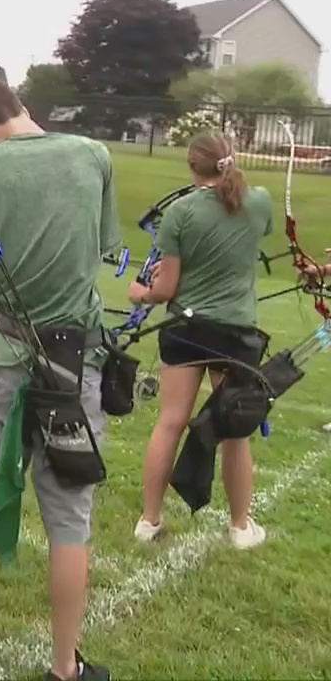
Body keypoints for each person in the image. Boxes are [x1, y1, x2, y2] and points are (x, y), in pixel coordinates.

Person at [0, 74, 119, 681]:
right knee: (69, 517)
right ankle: (65, 669)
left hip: (7, 356)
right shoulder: (93, 155)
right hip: (76, 362)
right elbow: (97, 251)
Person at [126, 133, 273, 550]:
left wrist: (141, 292)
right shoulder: (258, 201)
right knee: (235, 431)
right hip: (236, 331)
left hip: (188, 330)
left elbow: (165, 289)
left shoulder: (180, 212)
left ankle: (149, 520)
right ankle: (241, 526)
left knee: (171, 421)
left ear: (193, 167)